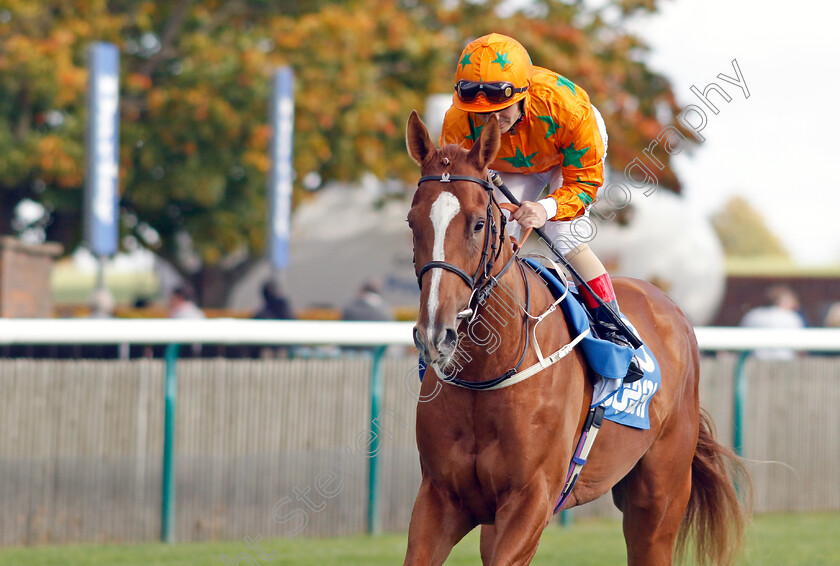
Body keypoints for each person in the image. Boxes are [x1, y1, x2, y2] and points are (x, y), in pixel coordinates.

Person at [439, 33, 641, 379]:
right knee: (491, 229)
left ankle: (612, 325)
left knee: (562, 235)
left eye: (500, 110)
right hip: (509, 166)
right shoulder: (457, 121)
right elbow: (457, 190)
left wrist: (545, 209)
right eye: (480, 113)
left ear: (523, 94)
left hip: (565, 157)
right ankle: (459, 322)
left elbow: (585, 183)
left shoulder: (569, 109)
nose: (491, 121)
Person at [739, 285, 806, 360]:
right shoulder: (791, 317)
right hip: (785, 364)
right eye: (793, 301)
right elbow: (799, 348)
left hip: (754, 364)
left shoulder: (752, 315)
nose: (796, 305)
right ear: (783, 301)